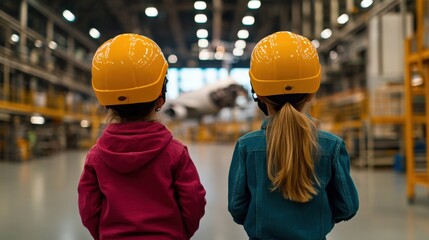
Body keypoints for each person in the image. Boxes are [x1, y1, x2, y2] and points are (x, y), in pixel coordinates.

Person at [228, 31, 359, 240]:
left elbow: (237, 207)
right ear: (312, 91)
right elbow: (347, 206)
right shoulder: (332, 146)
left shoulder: (246, 146)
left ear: (257, 92)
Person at [78, 34, 206, 240]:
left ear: (104, 100)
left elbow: (88, 208)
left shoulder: (96, 156)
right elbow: (194, 203)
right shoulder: (175, 153)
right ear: (160, 97)